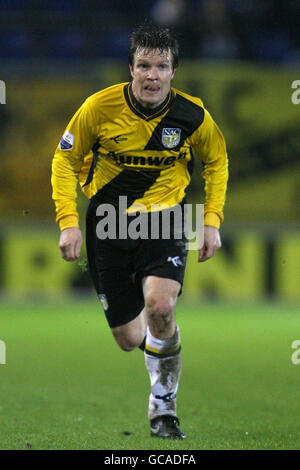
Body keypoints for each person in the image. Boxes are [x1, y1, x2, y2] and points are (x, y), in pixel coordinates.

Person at [51, 24, 228, 439]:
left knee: (161, 308)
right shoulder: (98, 107)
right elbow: (63, 160)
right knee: (130, 338)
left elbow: (217, 161)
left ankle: (163, 410)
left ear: (174, 72)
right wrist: (69, 222)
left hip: (165, 218)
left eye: (161, 66)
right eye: (144, 65)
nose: (152, 75)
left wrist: (211, 222)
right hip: (108, 221)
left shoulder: (193, 115)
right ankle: (159, 343)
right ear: (130, 68)